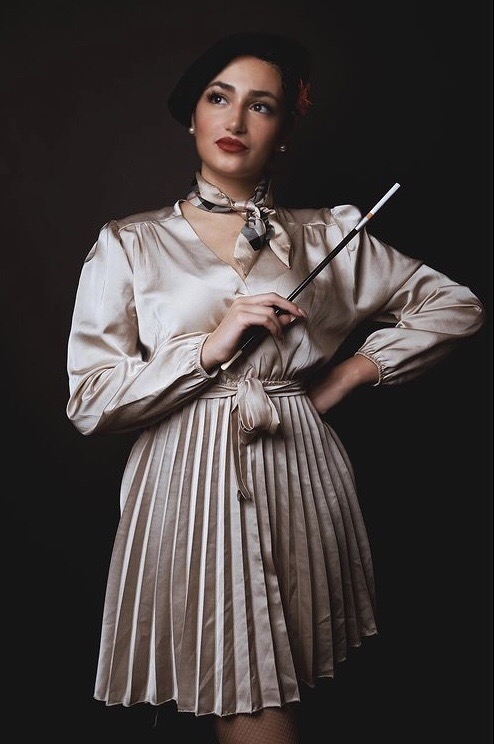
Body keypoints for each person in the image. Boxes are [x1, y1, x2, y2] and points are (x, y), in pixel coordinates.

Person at [66, 31, 485, 744]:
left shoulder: (328, 236)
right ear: (192, 114)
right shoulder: (129, 242)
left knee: (284, 671)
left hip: (298, 466)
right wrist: (209, 349)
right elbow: (91, 400)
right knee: (244, 683)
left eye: (261, 105)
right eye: (218, 97)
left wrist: (351, 372)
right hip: (185, 476)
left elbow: (456, 305)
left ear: (286, 127)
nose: (235, 120)